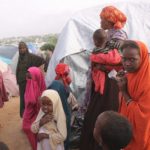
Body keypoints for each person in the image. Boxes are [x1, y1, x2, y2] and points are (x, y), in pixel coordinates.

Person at [80, 6, 128, 150]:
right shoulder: (108, 34)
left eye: (103, 19)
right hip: (101, 79)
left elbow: (117, 59)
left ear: (110, 20)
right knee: (94, 112)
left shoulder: (119, 36)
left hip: (110, 81)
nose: (100, 22)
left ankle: (100, 144)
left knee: (102, 111)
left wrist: (101, 66)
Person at [116, 40, 150, 150]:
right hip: (126, 133)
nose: (126, 63)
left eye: (132, 59)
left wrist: (124, 92)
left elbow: (143, 117)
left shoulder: (147, 81)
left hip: (141, 138)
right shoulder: (130, 74)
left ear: (143, 57)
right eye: (124, 59)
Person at [16, 41, 45, 117]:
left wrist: (36, 72)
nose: (22, 49)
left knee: (29, 98)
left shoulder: (31, 56)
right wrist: (18, 79)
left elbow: (42, 60)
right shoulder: (20, 57)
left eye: (23, 48)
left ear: (26, 48)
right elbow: (18, 69)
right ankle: (23, 115)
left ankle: (30, 115)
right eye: (20, 48)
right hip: (21, 82)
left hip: (28, 81)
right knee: (22, 99)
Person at [47, 63, 72, 150]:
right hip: (61, 116)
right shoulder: (58, 85)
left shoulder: (59, 83)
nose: (69, 74)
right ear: (64, 73)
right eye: (67, 72)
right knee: (62, 138)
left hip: (63, 114)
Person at [22, 67, 46, 150]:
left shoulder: (44, 95)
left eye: (31, 78)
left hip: (37, 121)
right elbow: (29, 101)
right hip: (30, 120)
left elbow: (32, 101)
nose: (29, 80)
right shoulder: (30, 86)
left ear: (37, 78)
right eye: (28, 78)